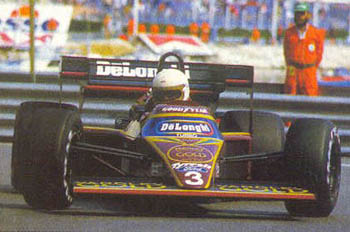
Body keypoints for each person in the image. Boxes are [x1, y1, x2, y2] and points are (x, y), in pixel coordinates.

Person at [124, 68, 190, 138]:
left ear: (184, 92)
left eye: (171, 94)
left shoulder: (195, 110)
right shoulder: (147, 110)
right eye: (160, 95)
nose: (166, 98)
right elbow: (130, 138)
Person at [283, 2, 325, 96]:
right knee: (290, 96)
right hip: (293, 72)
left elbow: (319, 54)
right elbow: (286, 53)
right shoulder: (289, 33)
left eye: (302, 13)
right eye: (297, 13)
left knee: (311, 97)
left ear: (308, 15)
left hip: (309, 72)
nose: (299, 17)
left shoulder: (316, 33)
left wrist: (310, 66)